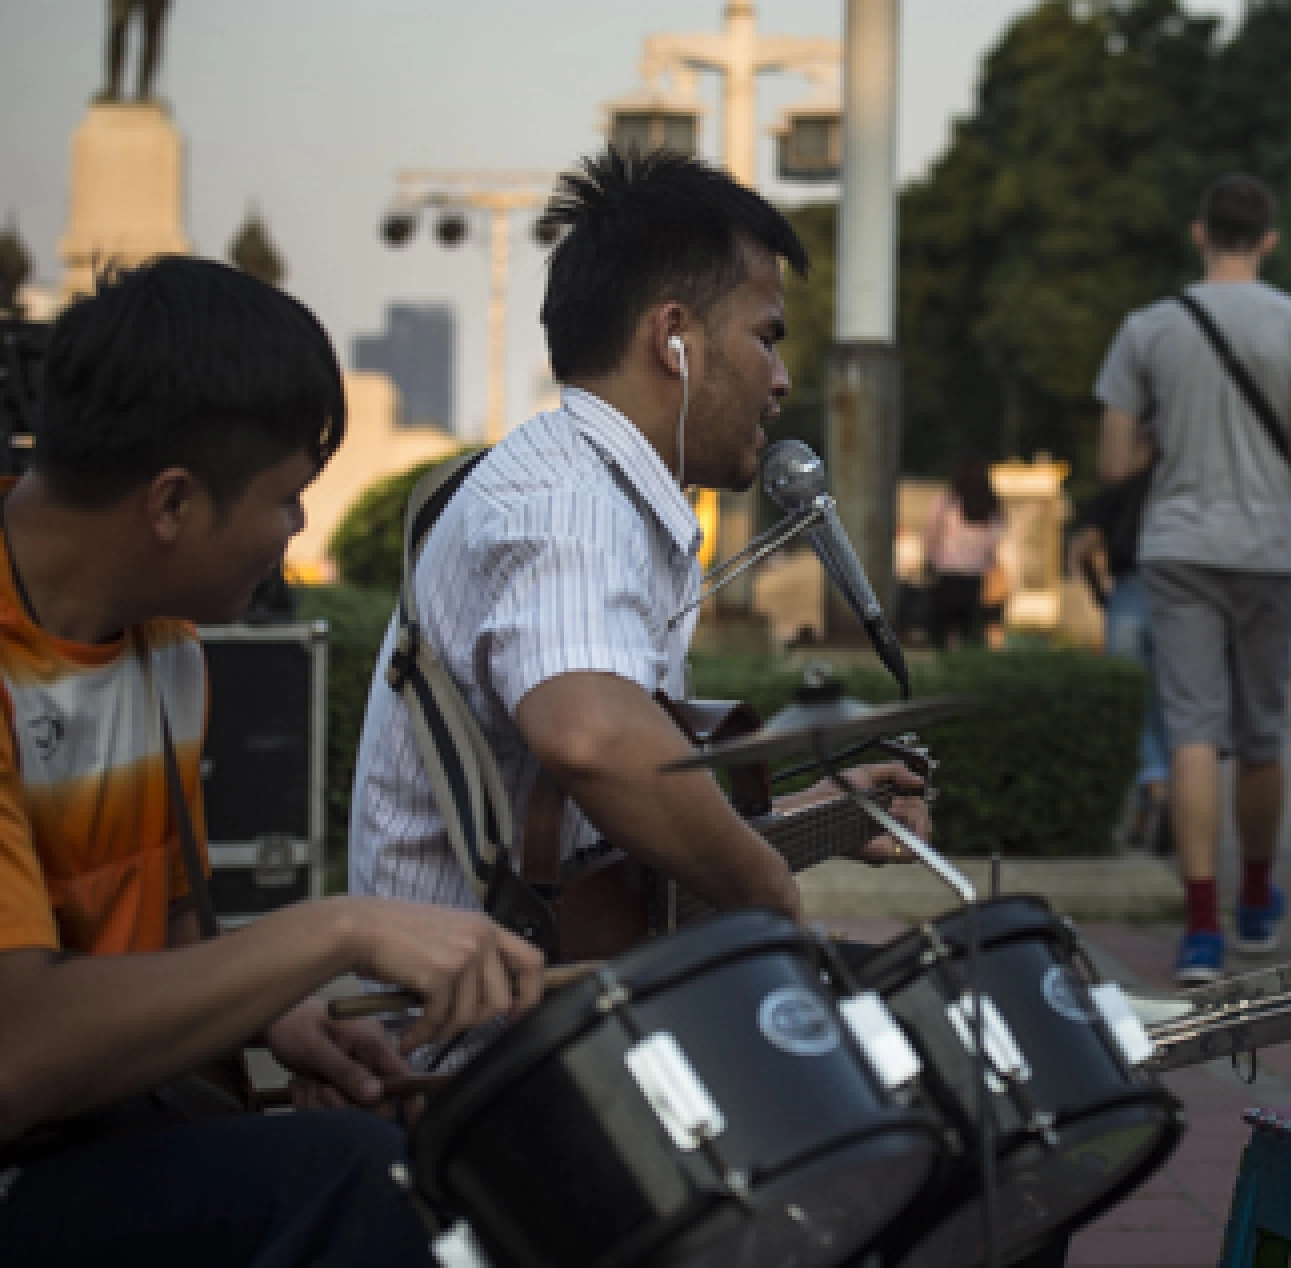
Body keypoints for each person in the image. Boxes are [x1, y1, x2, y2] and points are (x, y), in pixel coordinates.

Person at [0, 257, 544, 1267]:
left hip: (92, 1137)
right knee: (352, 1177)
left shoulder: (164, 644)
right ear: (171, 502)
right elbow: (18, 1053)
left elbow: (170, 951)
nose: (295, 534)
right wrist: (340, 929)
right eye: (288, 498)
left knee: (417, 1165)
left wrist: (280, 1017)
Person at [349, 150, 929, 951]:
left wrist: (828, 816)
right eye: (766, 338)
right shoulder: (570, 503)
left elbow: (609, 858)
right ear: (673, 339)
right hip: (486, 1021)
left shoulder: (581, 483)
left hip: (545, 990)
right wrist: (771, 899)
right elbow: (593, 737)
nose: (781, 379)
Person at [1096, 173, 1291, 984]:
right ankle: (1257, 901)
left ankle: (1201, 926)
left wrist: (1168, 434)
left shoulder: (1148, 328)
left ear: (1200, 234)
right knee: (1262, 734)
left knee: (1191, 731)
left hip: (1178, 547)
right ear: (1268, 239)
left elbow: (1113, 462)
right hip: (1270, 548)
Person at [1069, 470, 1171, 849]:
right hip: (1181, 594)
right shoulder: (1185, 476)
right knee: (1173, 708)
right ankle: (1163, 798)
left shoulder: (1121, 478)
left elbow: (1085, 547)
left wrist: (1100, 594)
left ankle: (1153, 785)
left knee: (1133, 706)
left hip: (1128, 592)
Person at [924, 456, 1006, 650]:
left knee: (941, 634)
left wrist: (929, 559)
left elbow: (931, 535)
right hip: (977, 578)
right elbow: (995, 542)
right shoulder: (992, 504)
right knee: (970, 634)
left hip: (946, 574)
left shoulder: (946, 501)